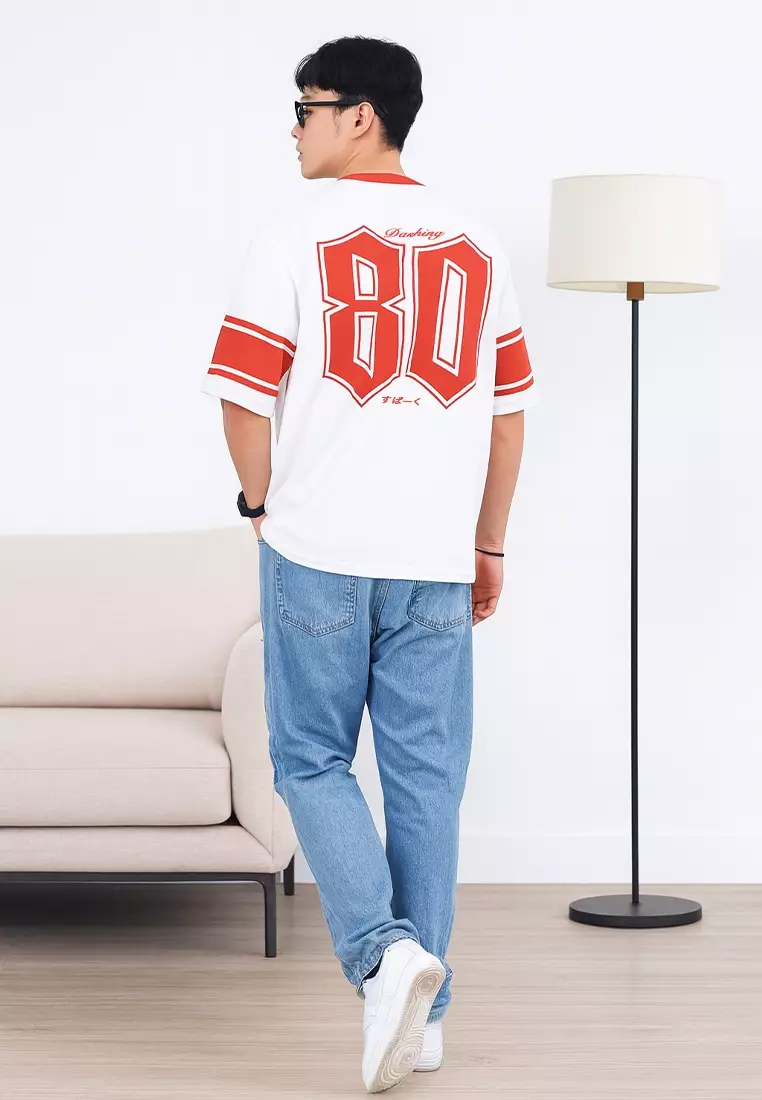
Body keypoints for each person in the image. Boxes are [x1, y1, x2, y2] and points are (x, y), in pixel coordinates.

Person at [200, 34, 539, 1093]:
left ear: (360, 116)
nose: (295, 130)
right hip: (436, 557)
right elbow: (508, 418)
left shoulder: (291, 235)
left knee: (308, 760)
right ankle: (423, 1019)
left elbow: (241, 395)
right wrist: (488, 542)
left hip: (320, 547)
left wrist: (260, 504)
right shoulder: (480, 241)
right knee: (426, 780)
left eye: (305, 110)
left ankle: (385, 958)